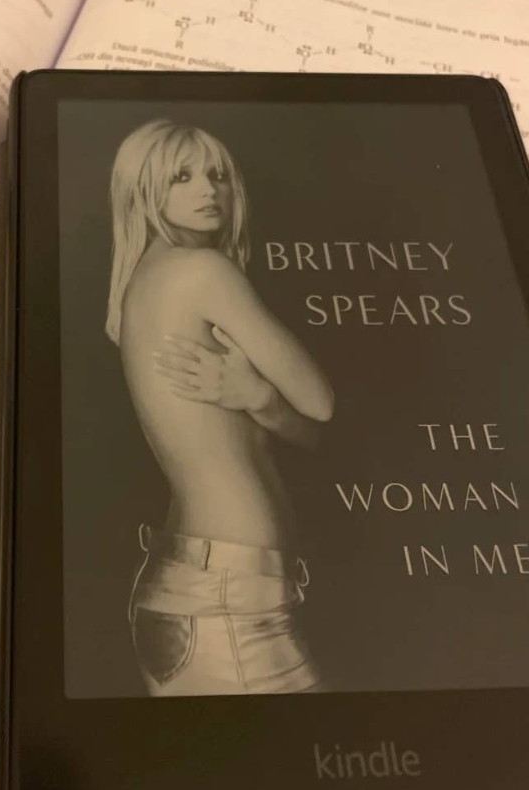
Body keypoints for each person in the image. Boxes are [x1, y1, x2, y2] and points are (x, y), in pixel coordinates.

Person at [106, 118, 334, 696]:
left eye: (218, 175)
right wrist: (268, 395)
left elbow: (311, 434)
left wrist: (254, 395)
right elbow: (323, 403)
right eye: (181, 177)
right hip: (225, 604)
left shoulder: (146, 282)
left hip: (206, 588)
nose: (209, 190)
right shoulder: (203, 271)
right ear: (144, 190)